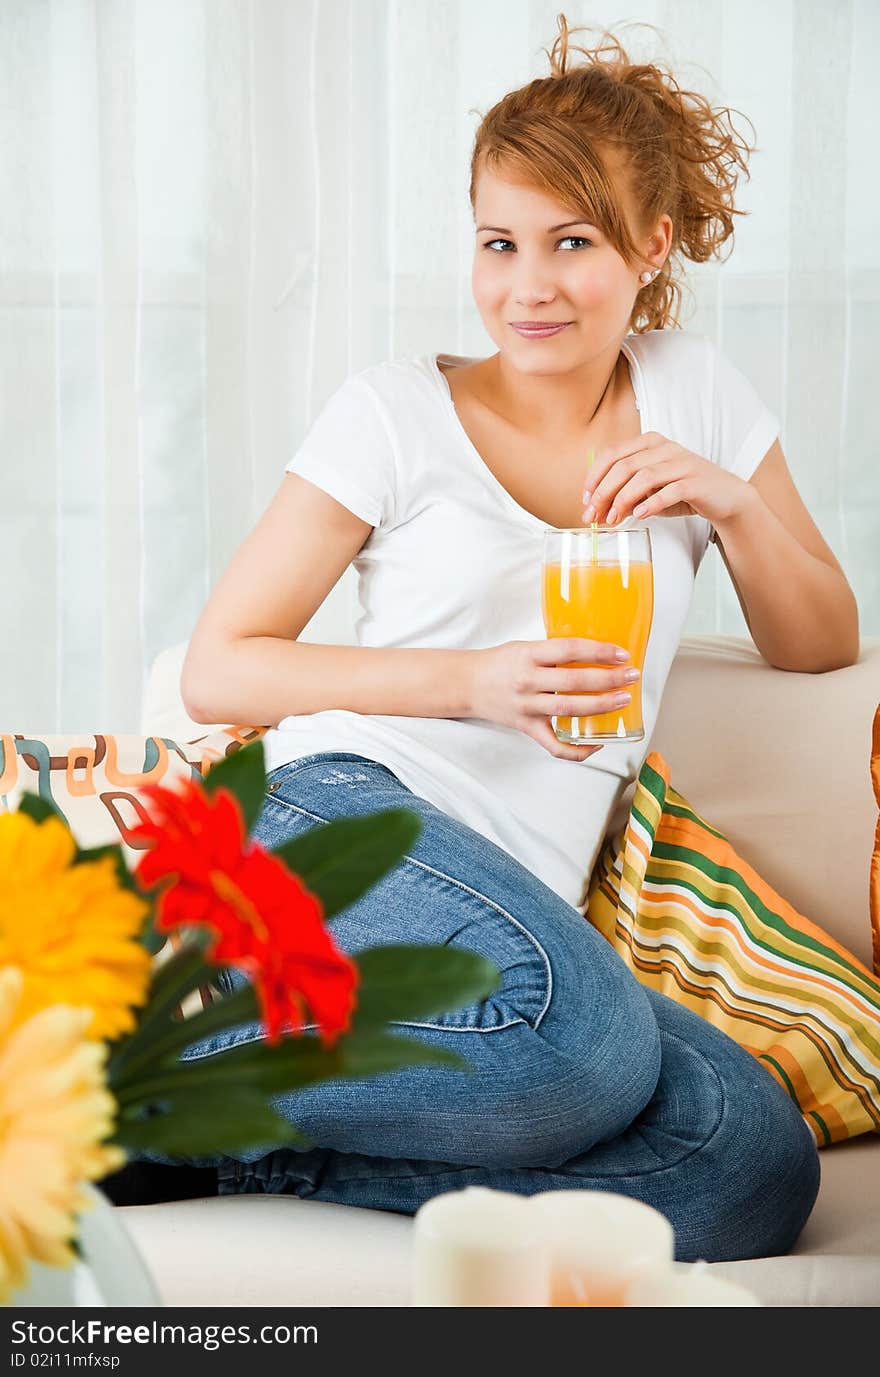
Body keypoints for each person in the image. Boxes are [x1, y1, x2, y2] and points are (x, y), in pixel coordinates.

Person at [106, 17, 861, 1262]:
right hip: (346, 810)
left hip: (520, 906)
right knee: (580, 1047)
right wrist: (475, 684)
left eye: (572, 243)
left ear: (650, 246)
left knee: (749, 1166)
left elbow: (819, 642)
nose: (528, 285)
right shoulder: (393, 412)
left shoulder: (700, 396)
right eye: (499, 243)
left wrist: (725, 499)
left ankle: (201, 1130)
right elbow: (223, 662)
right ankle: (116, 1053)